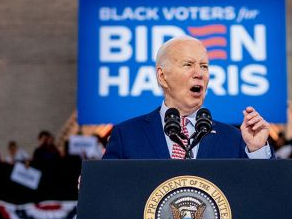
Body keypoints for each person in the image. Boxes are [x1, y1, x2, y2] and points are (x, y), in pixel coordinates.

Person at [101, 36, 272, 159]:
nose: (199, 73)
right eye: (188, 64)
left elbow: (266, 196)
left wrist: (257, 151)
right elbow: (106, 196)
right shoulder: (127, 135)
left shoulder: (235, 139)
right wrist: (92, 185)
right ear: (162, 76)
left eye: (204, 66)